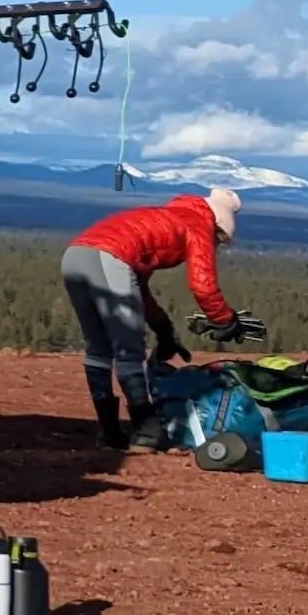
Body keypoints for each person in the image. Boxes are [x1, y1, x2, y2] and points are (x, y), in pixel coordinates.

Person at [62, 186, 248, 450]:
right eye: (219, 238)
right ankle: (147, 431)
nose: (216, 243)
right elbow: (202, 284)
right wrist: (225, 319)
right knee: (129, 349)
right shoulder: (199, 223)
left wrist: (162, 328)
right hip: (109, 256)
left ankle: (110, 433)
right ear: (218, 224)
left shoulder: (166, 217)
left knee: (99, 348)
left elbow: (136, 287)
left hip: (75, 256)